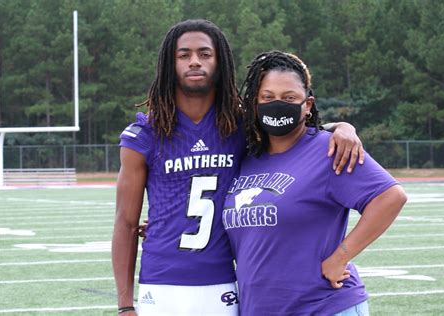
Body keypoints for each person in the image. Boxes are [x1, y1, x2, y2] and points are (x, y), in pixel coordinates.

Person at [112, 20, 364, 316]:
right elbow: (126, 224)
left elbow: (294, 130)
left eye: (205, 54)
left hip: (225, 282)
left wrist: (342, 127)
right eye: (184, 55)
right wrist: (125, 305)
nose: (195, 61)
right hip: (162, 281)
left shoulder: (240, 124)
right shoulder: (144, 134)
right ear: (170, 63)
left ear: (220, 62)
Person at [222, 51, 407, 315]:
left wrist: (341, 256)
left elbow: (390, 196)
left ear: (307, 105)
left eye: (289, 98)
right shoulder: (247, 156)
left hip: (324, 306)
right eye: (267, 97)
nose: (277, 105)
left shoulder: (329, 149)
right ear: (254, 102)